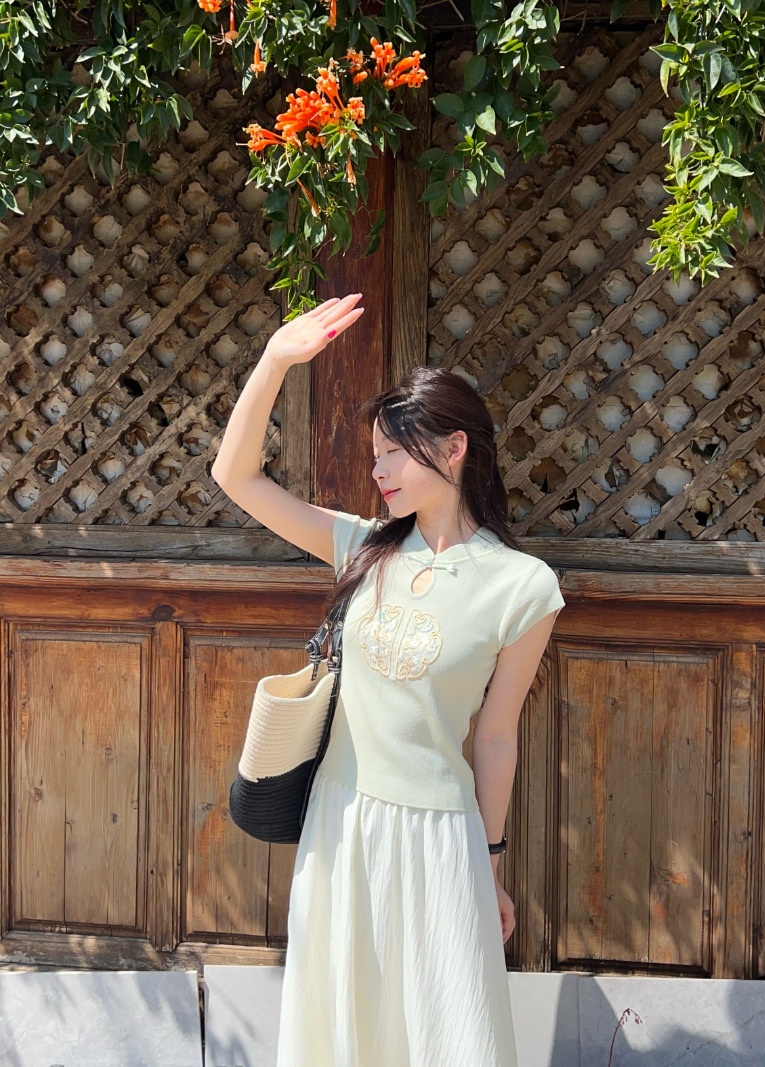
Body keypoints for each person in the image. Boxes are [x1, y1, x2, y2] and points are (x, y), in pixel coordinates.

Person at [211, 292, 565, 1067]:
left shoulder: (523, 586)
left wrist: (489, 867)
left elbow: (496, 738)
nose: (378, 469)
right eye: (375, 454)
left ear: (455, 447)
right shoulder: (363, 546)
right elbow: (235, 476)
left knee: (447, 1034)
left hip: (441, 838)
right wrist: (275, 360)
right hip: (341, 827)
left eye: (394, 452)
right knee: (342, 1031)